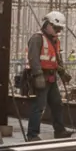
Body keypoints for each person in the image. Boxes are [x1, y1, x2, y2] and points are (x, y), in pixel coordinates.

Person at [26, 11, 71, 140]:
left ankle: (59, 130)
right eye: (56, 28)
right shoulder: (37, 38)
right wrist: (38, 75)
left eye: (60, 29)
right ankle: (32, 134)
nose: (58, 31)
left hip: (51, 78)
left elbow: (57, 59)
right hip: (41, 77)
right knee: (38, 106)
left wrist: (62, 72)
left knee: (57, 104)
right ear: (48, 24)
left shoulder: (55, 40)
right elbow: (33, 58)